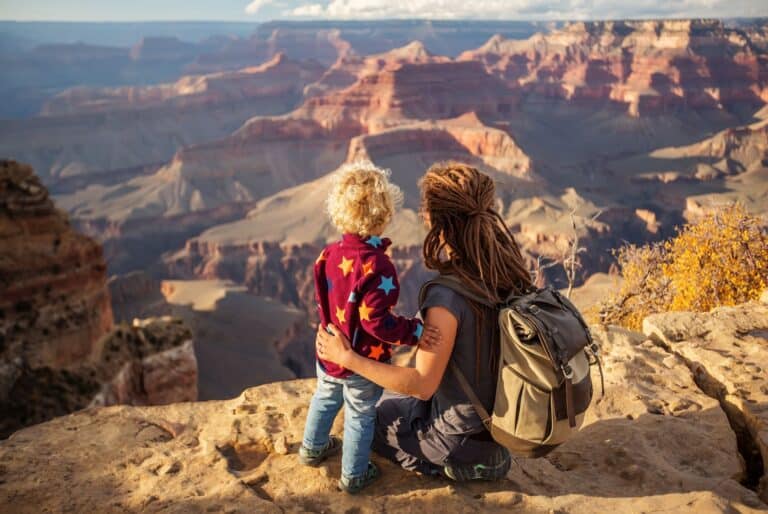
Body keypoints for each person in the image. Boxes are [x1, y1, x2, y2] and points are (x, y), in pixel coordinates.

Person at [316, 161, 534, 482]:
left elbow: (421, 384)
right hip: (499, 426)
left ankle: (452, 464)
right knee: (389, 395)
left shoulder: (446, 299)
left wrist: (346, 358)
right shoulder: (504, 271)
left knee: (367, 416)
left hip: (457, 441)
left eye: (424, 208)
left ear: (435, 220)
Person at [299, 161, 441, 494]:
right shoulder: (377, 265)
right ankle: (354, 474)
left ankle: (312, 448)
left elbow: (321, 300)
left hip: (329, 349)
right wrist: (414, 333)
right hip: (363, 358)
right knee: (361, 413)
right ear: (384, 211)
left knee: (325, 397)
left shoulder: (328, 254)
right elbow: (376, 322)